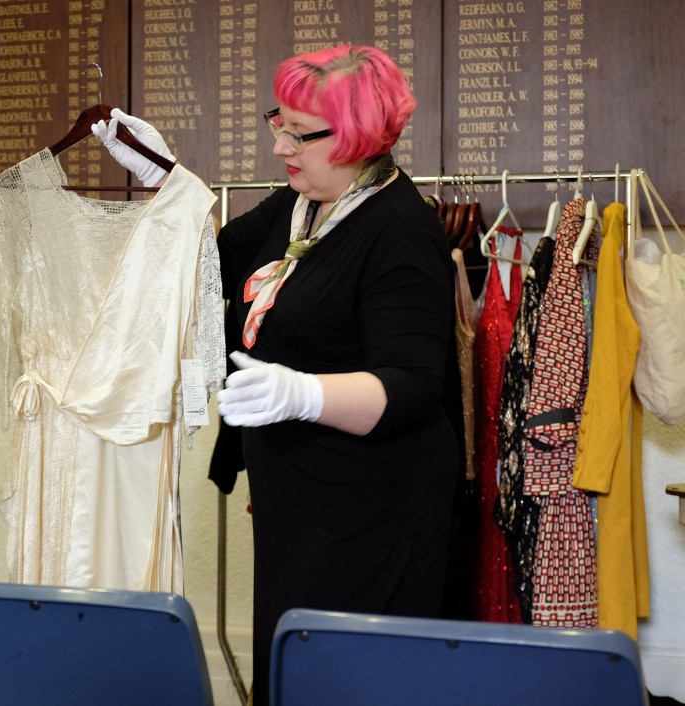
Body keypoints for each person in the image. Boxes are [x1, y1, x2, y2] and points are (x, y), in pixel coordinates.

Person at [93, 45, 458, 705]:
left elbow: (413, 385)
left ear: (355, 136)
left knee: (348, 681)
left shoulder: (400, 230)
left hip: (372, 508)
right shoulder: (301, 206)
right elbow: (213, 261)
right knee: (290, 669)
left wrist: (302, 392)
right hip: (299, 497)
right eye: (277, 122)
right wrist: (164, 178)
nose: (280, 144)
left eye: (300, 132)